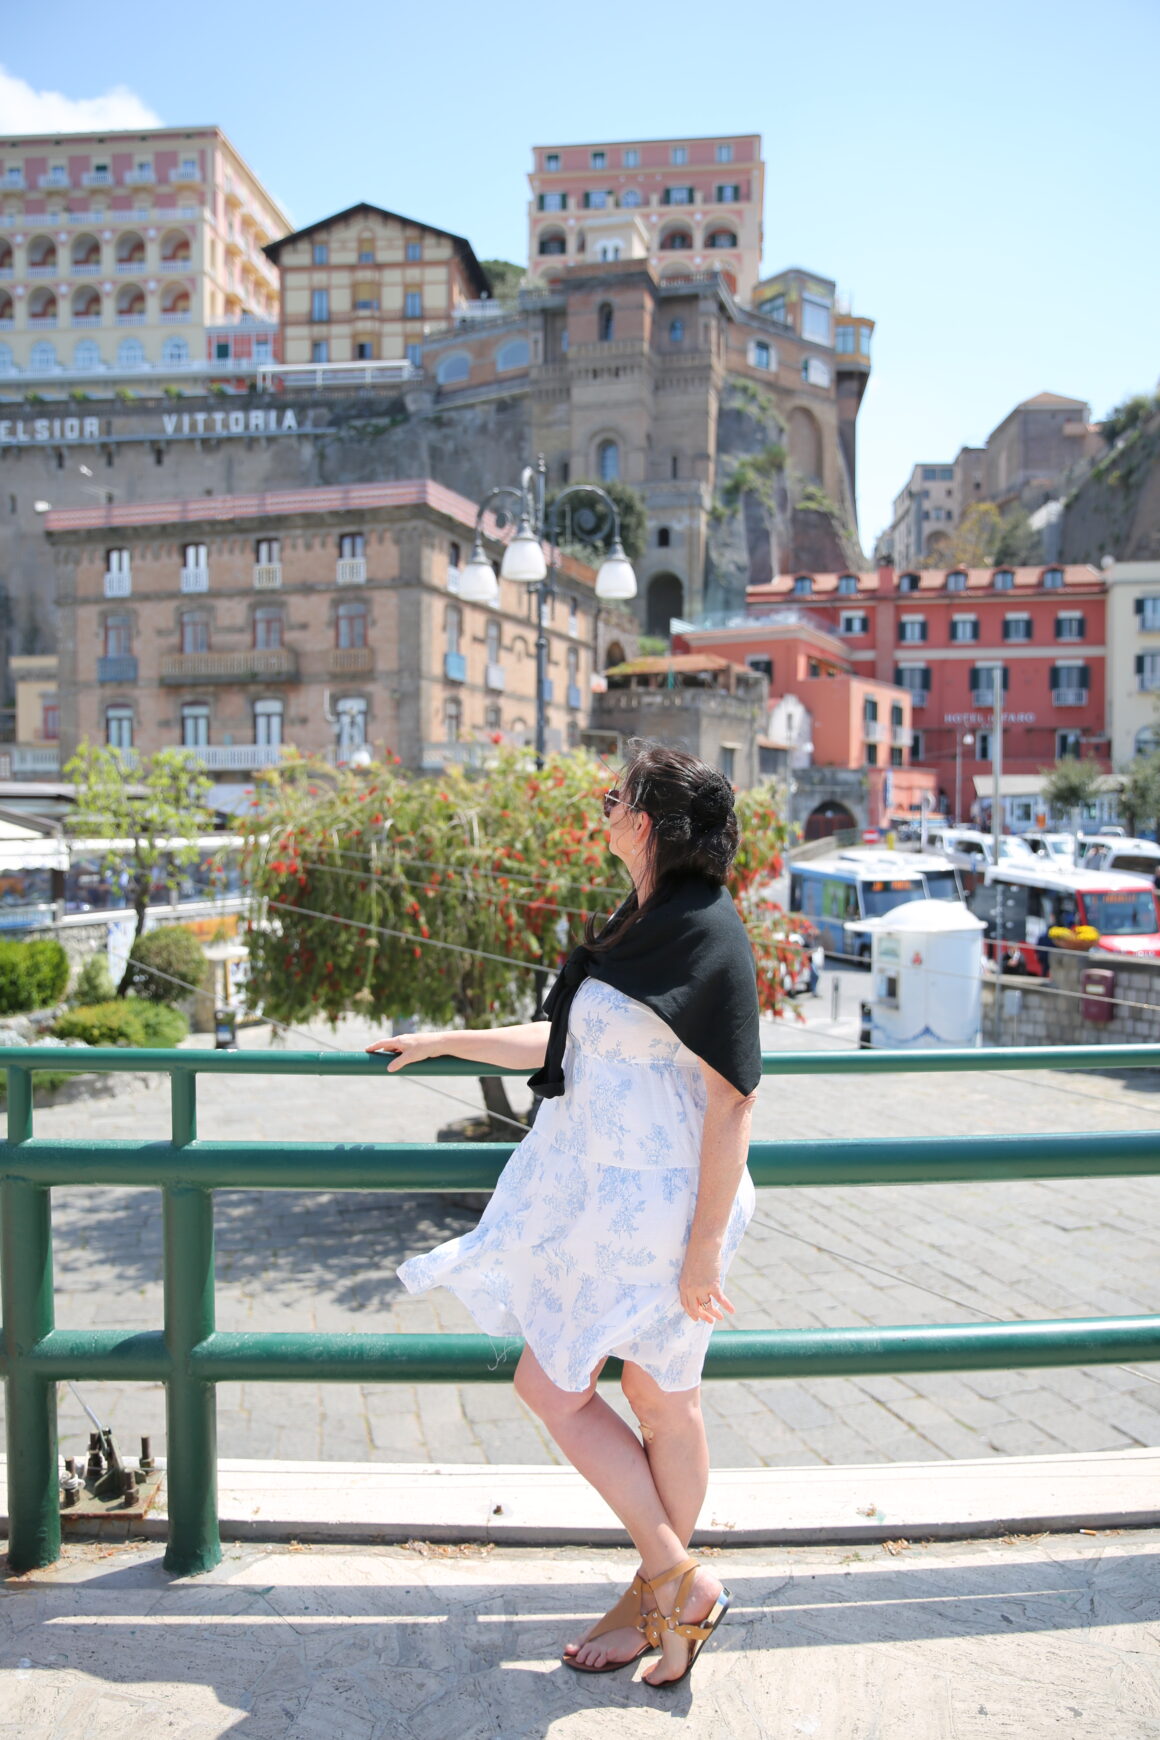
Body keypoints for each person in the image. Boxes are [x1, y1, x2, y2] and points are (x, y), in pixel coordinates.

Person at [367, 741, 761, 1687]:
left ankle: (669, 1584)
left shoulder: (709, 931)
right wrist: (441, 1041)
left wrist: (702, 1251)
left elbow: (735, 1096)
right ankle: (668, 1592)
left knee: (618, 1399)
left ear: (647, 824)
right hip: (609, 1202)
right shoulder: (641, 920)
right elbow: (568, 1043)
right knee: (637, 1399)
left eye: (614, 795)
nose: (603, 804)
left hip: (664, 1211)